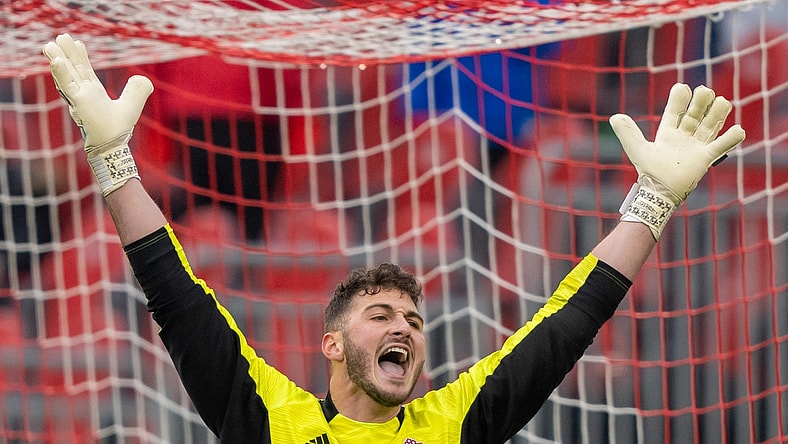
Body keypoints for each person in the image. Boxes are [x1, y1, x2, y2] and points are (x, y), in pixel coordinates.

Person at [43, 33, 745, 443]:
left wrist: (650, 203)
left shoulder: (450, 425)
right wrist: (114, 164)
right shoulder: (269, 419)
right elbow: (178, 298)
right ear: (332, 345)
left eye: (411, 318)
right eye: (380, 315)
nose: (404, 328)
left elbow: (565, 324)